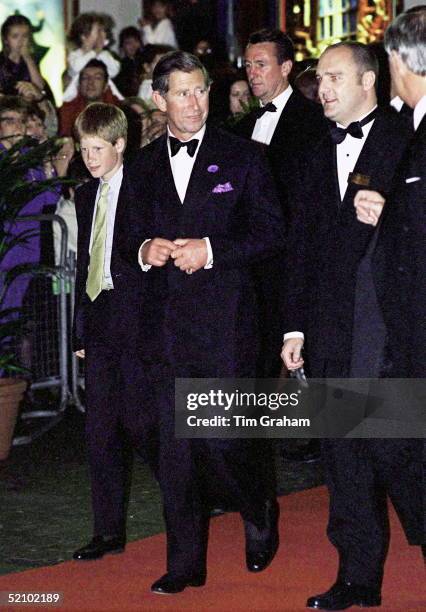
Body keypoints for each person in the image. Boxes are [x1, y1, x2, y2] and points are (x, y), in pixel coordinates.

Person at [125, 50, 284, 594]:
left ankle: (257, 504)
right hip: (163, 328)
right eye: (183, 93)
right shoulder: (142, 166)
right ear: (159, 98)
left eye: (202, 91)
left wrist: (212, 251)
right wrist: (147, 248)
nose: (195, 103)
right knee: (174, 451)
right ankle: (185, 563)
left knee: (222, 441)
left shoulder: (244, 157)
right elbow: (124, 243)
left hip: (225, 325)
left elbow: (271, 233)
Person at [281, 41, 419, 610]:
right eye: (321, 78)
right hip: (332, 322)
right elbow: (301, 249)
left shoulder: (407, 137)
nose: (325, 88)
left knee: (398, 449)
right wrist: (294, 328)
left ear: (370, 81)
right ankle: (357, 577)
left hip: (392, 322)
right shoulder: (312, 150)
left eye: (336, 77)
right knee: (344, 455)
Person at [71, 103, 154, 563]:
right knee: (99, 432)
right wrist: (81, 328)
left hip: (137, 321)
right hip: (101, 321)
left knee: (143, 424)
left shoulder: (144, 187)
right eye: (83, 149)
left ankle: (191, 498)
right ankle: (107, 532)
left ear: (121, 144)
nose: (89, 157)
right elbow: (86, 262)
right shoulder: (86, 195)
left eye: (98, 148)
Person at [64, 12, 122, 103]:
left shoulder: (104, 54)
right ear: (83, 36)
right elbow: (75, 68)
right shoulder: (75, 55)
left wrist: (99, 52)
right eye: (98, 31)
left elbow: (114, 71)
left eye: (104, 31)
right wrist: (93, 52)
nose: (103, 35)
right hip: (76, 102)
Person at [59, 59, 121, 137]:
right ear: (79, 85)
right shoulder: (67, 111)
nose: (90, 82)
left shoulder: (119, 110)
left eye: (97, 78)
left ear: (106, 86)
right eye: (85, 78)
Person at [0, 14, 45, 96]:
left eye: (25, 36)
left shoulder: (31, 60)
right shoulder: (2, 62)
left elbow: (40, 87)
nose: (21, 41)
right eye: (15, 36)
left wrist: (27, 58)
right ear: (6, 39)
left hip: (30, 105)